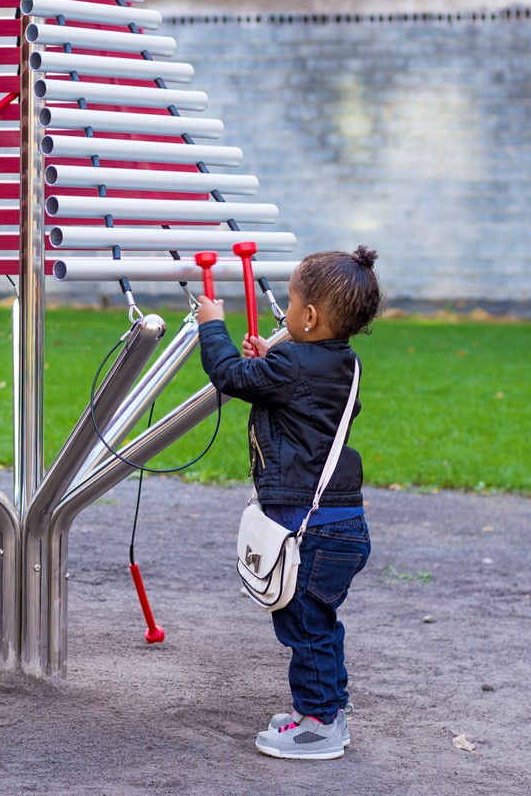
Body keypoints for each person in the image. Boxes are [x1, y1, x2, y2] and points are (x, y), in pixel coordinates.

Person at [196, 246, 382, 760]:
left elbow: (230, 376)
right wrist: (271, 362)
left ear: (310, 316)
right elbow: (296, 394)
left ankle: (318, 725)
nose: (289, 310)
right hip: (341, 523)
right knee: (319, 623)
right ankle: (328, 712)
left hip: (310, 526)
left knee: (304, 626)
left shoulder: (293, 365)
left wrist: (212, 326)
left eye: (293, 301)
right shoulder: (343, 363)